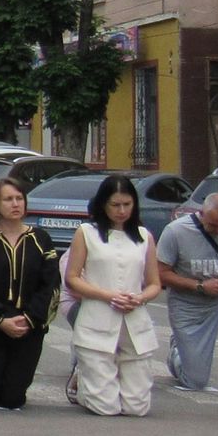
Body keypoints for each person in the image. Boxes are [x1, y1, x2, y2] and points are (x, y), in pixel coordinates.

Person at [66, 174, 162, 417]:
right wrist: (106, 294)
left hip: (133, 318)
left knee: (136, 408)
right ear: (103, 205)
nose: (121, 211)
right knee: (105, 407)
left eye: (127, 205)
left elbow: (154, 284)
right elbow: (73, 277)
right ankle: (84, 380)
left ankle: (103, 377)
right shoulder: (87, 233)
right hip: (98, 315)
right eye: (115, 205)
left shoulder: (143, 236)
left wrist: (139, 298)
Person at [0, 176, 62, 411]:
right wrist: (0, 320)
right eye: (8, 199)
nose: (15, 204)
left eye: (19, 198)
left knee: (12, 399)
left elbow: (50, 284)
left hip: (29, 326)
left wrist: (30, 319)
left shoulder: (40, 239)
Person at [154, 192, 218, 393]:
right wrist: (199, 285)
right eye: (213, 226)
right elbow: (160, 274)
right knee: (195, 382)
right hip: (188, 306)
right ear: (201, 214)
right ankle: (177, 352)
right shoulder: (176, 231)